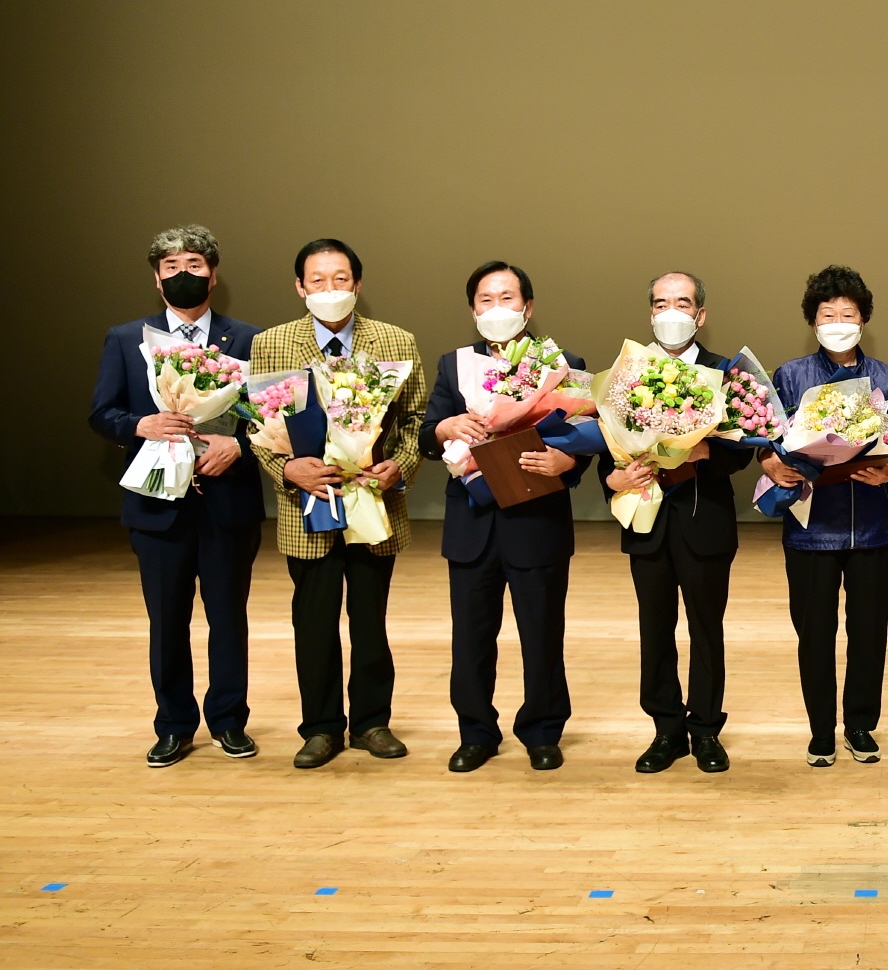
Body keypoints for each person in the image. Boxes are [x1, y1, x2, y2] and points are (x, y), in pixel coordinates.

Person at [89, 225, 265, 767]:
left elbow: (272, 416)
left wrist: (238, 444)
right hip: (157, 507)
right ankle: (173, 725)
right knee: (167, 622)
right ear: (156, 278)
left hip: (227, 504)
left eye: (193, 264)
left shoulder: (250, 340)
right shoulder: (126, 338)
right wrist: (138, 425)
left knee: (228, 619)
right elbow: (103, 413)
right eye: (170, 267)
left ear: (213, 274)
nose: (182, 274)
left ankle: (229, 722)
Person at [249, 239, 429, 770]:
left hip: (373, 501)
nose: (331, 288)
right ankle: (321, 727)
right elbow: (256, 424)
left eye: (341, 278)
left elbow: (416, 418)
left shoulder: (395, 340)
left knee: (370, 619)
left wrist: (401, 465)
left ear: (358, 284)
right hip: (308, 508)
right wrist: (288, 470)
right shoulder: (272, 344)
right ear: (300, 287)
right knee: (314, 622)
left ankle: (372, 722)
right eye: (318, 280)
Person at [419, 262, 589, 773]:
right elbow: (427, 433)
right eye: (486, 300)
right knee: (471, 636)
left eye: (508, 298)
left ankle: (542, 730)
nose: (497, 308)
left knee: (542, 633)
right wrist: (447, 427)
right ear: (473, 310)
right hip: (472, 523)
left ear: (528, 307)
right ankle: (476, 732)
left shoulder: (563, 363)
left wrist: (568, 463)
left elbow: (585, 436)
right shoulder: (454, 364)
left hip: (536, 521)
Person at [605, 271, 755, 775]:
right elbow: (605, 445)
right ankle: (666, 729)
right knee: (655, 629)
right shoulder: (626, 373)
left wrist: (705, 450)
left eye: (683, 303)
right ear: (650, 313)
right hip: (646, 519)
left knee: (706, 629)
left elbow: (745, 448)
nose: (671, 312)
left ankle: (706, 729)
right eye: (661, 303)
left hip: (704, 520)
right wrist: (614, 477)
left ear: (700, 315)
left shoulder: (725, 373)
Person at [760, 266, 888, 767]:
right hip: (811, 527)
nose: (838, 323)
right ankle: (821, 730)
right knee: (815, 635)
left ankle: (860, 725)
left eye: (848, 314)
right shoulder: (790, 376)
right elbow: (767, 438)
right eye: (828, 315)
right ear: (813, 321)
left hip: (872, 527)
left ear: (863, 320)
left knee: (869, 633)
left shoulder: (886, 378)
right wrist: (771, 461)